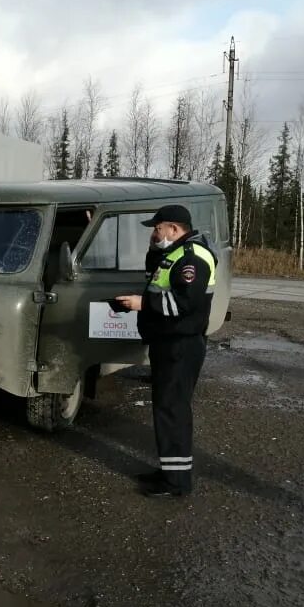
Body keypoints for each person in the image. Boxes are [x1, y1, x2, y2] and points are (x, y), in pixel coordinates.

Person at [115, 204, 217, 498]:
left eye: (157, 229)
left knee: (172, 411)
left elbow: (184, 305)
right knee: (167, 409)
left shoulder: (192, 258)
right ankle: (171, 471)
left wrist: (142, 304)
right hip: (169, 344)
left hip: (181, 345)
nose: (154, 233)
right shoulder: (176, 252)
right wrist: (154, 247)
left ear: (173, 229)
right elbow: (157, 276)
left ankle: (176, 483)